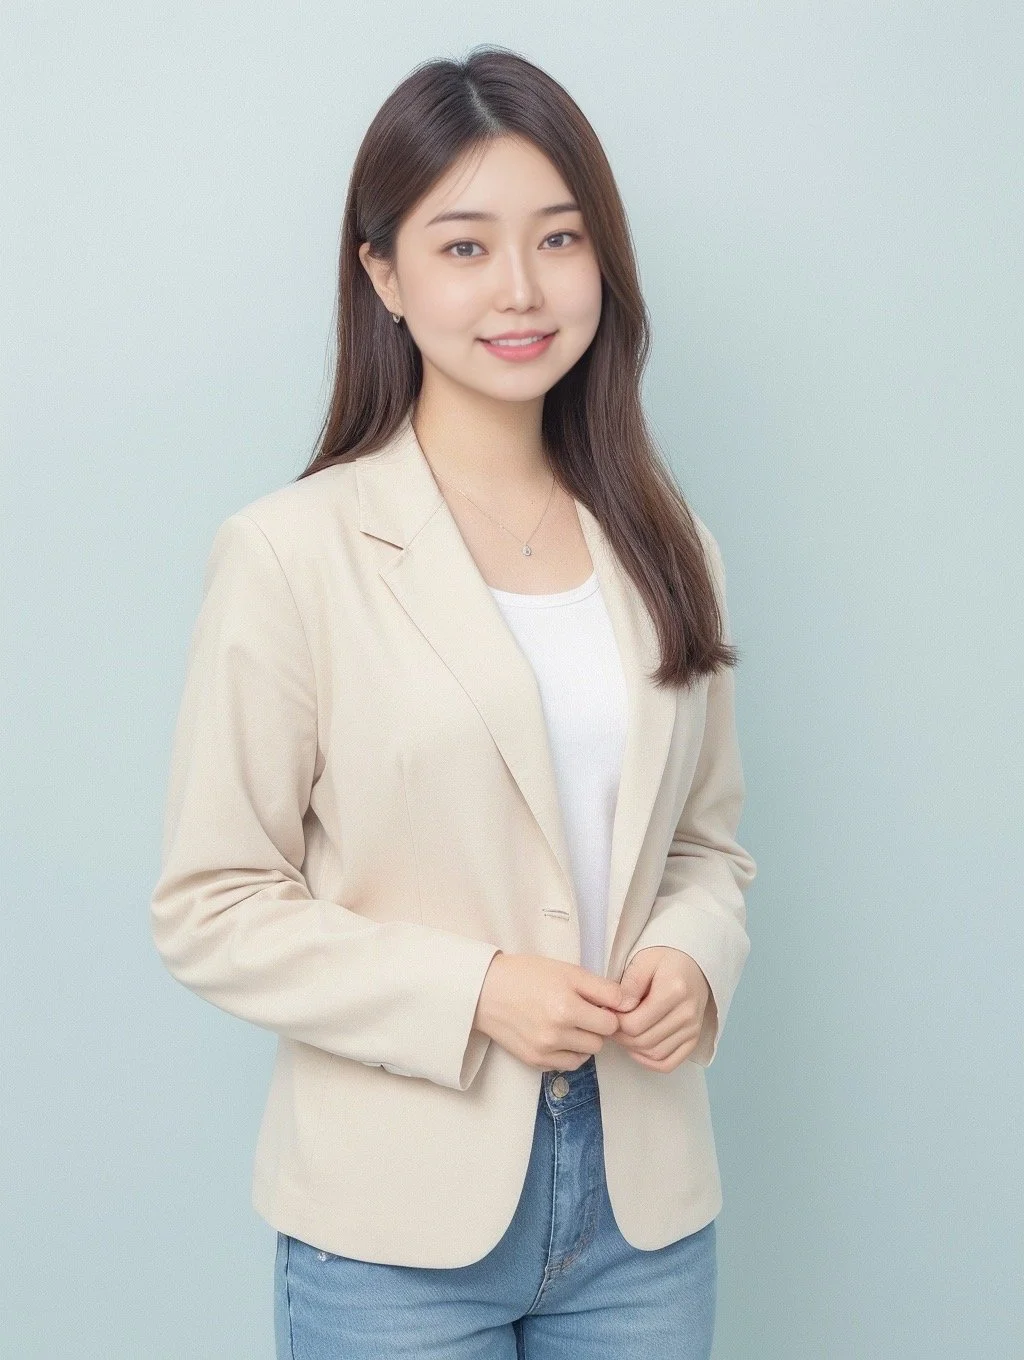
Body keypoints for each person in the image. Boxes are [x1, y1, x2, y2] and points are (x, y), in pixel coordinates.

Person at [150, 44, 757, 1360]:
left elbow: (707, 847)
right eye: (466, 246)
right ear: (383, 272)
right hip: (391, 1229)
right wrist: (477, 991)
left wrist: (691, 964)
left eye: (560, 238)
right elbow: (209, 907)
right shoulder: (290, 555)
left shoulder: (668, 547)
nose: (524, 290)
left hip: (644, 1214)